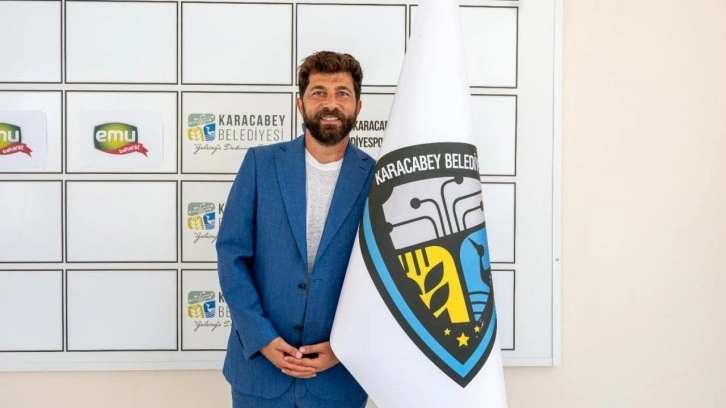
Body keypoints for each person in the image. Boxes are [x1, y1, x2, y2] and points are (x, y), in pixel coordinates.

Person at [216, 51, 373, 408]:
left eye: (342, 93)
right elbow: (231, 255)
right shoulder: (260, 164)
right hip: (259, 372)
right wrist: (261, 337)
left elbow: (386, 279)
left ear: (358, 106)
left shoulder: (379, 179)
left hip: (339, 377)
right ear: (300, 104)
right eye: (319, 92)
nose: (330, 104)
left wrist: (345, 346)